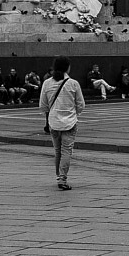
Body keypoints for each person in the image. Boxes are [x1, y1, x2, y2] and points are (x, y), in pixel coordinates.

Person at [38, 57, 84, 190]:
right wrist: (74, 113)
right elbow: (81, 105)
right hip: (70, 122)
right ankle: (62, 179)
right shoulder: (73, 83)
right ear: (67, 68)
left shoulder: (47, 83)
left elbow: (43, 105)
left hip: (54, 122)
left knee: (58, 151)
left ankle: (59, 176)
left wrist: (51, 113)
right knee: (66, 151)